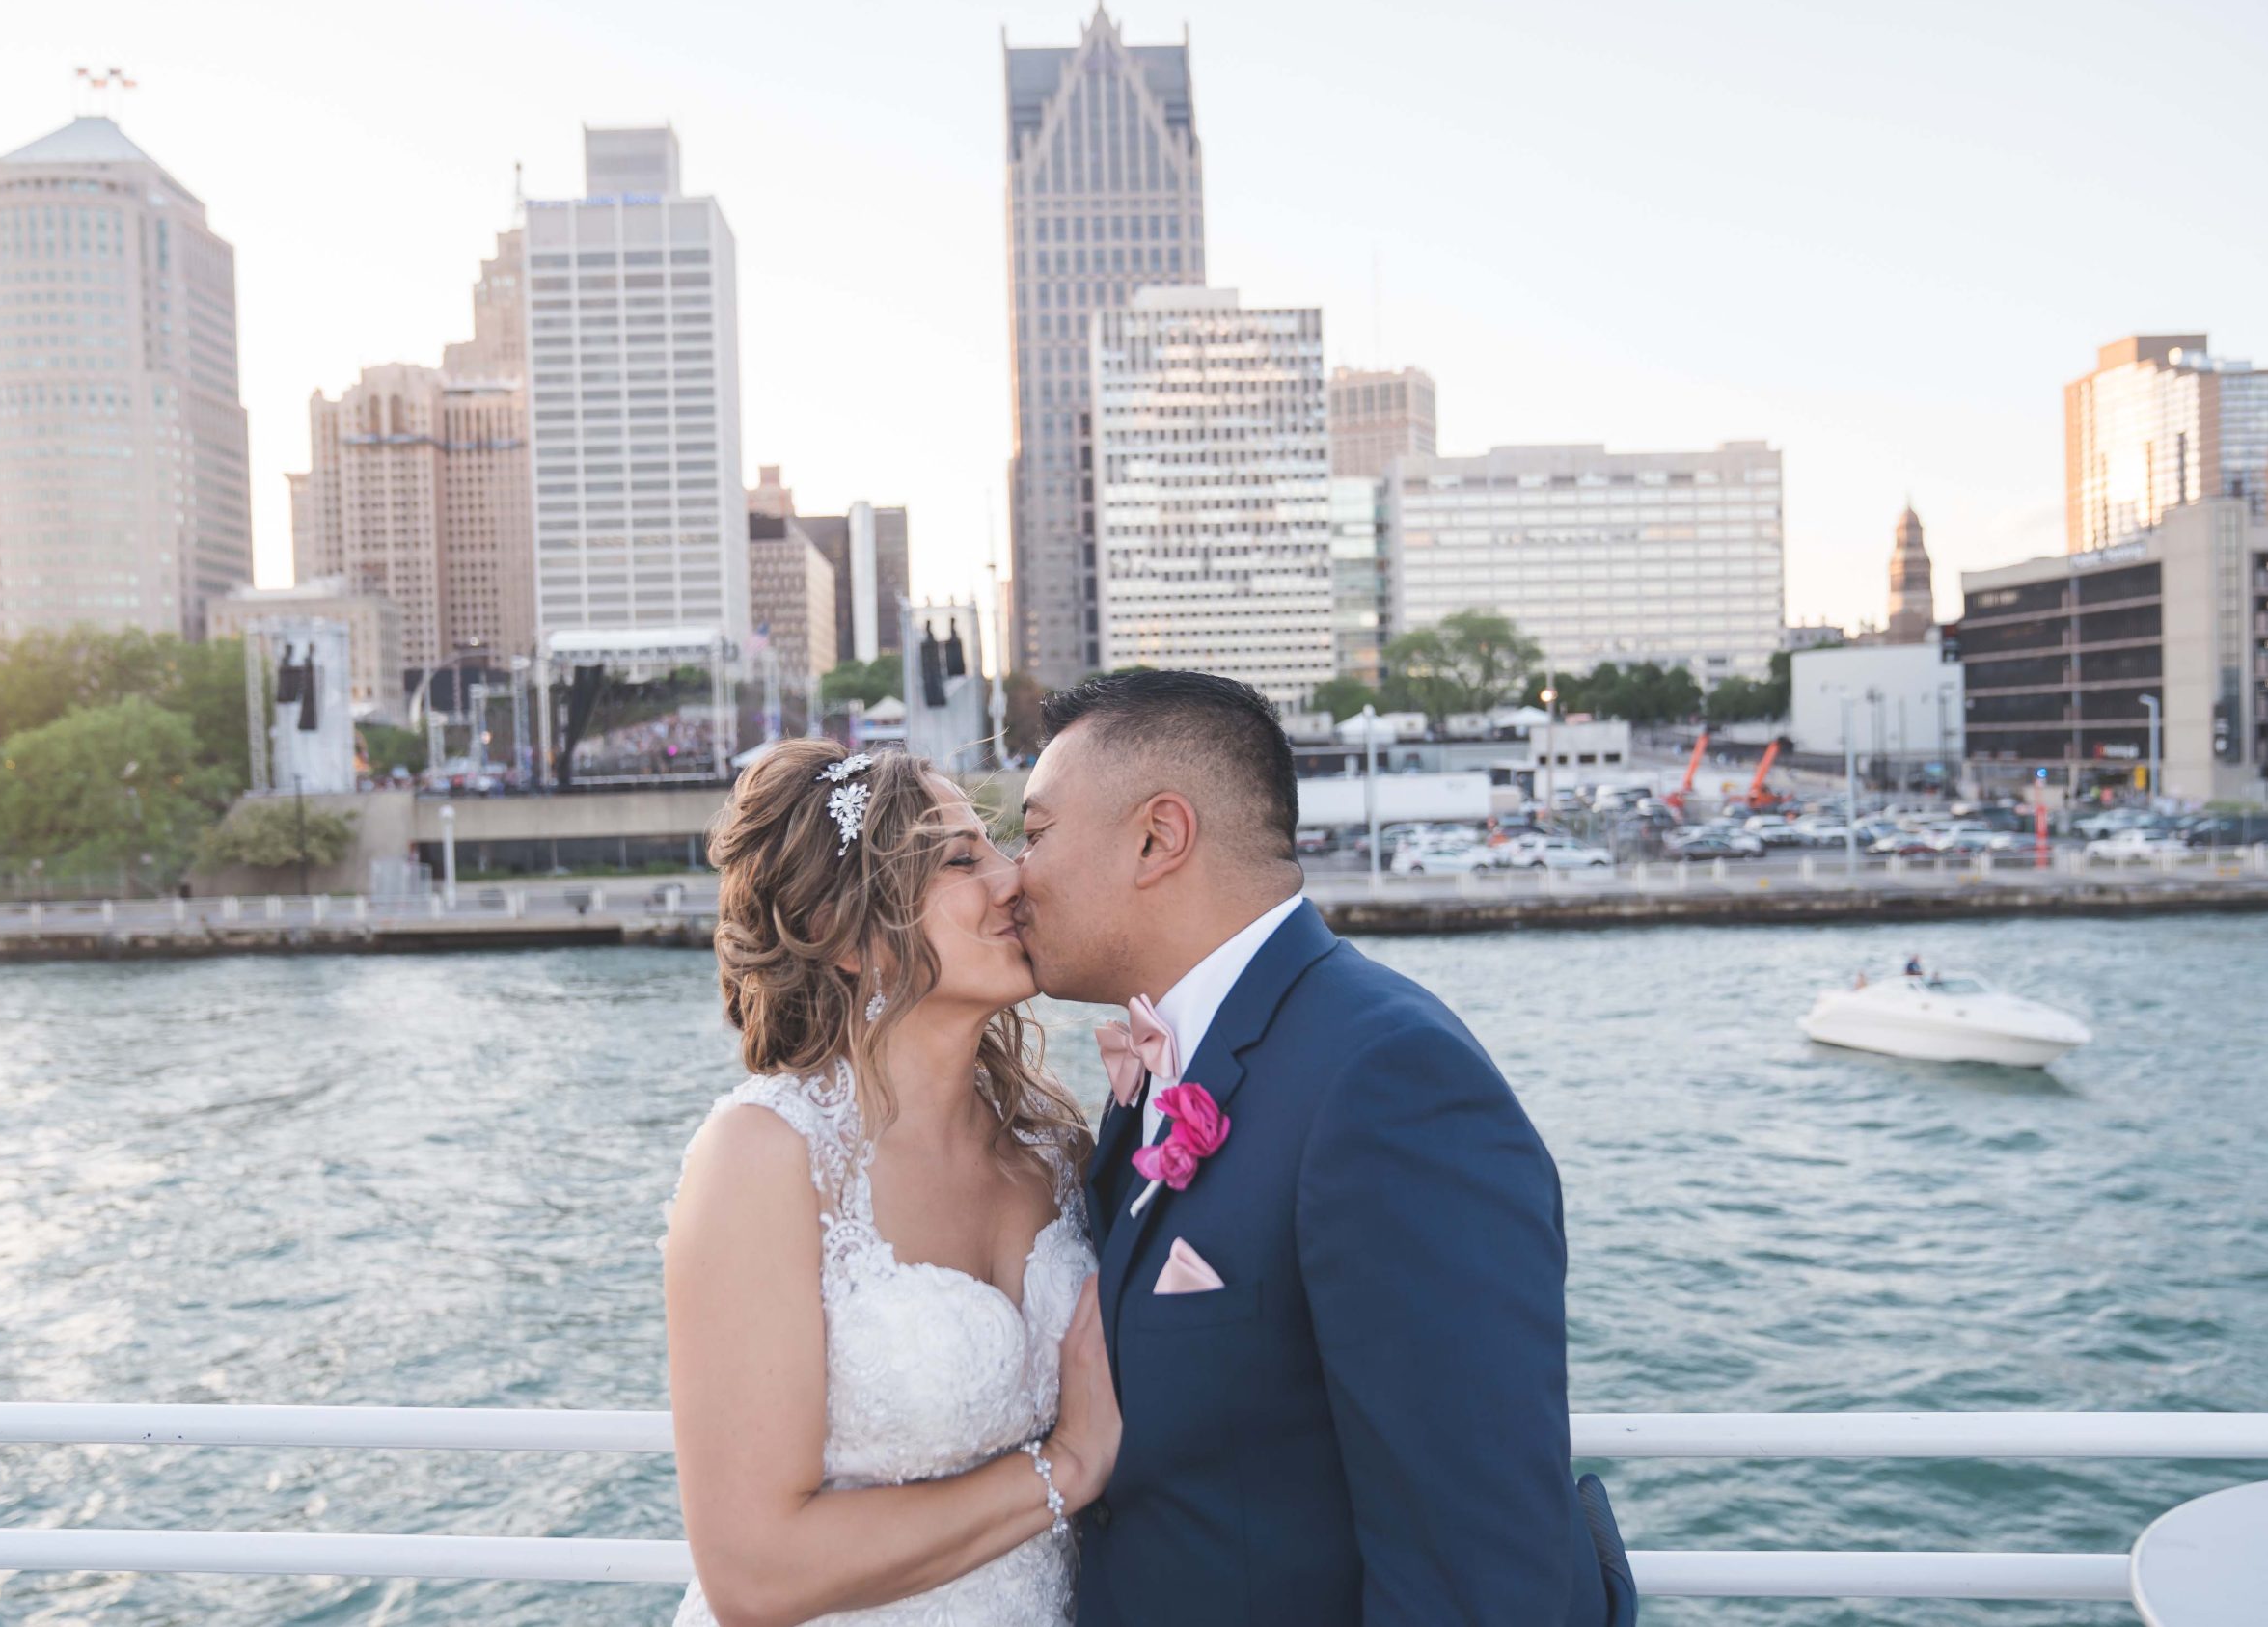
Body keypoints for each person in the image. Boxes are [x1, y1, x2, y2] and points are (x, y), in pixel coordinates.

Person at [1014, 671, 1633, 1626]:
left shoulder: (1392, 1083)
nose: (1015, 874)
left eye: (1035, 832)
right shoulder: (1181, 1059)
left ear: (1157, 837)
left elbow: (1477, 1569)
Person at [660, 742, 1122, 1626]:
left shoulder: (1056, 1146)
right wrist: (1063, 1467)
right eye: (960, 859)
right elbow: (754, 1574)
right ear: (845, 932)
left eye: (997, 846)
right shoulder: (765, 1159)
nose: (1012, 879)